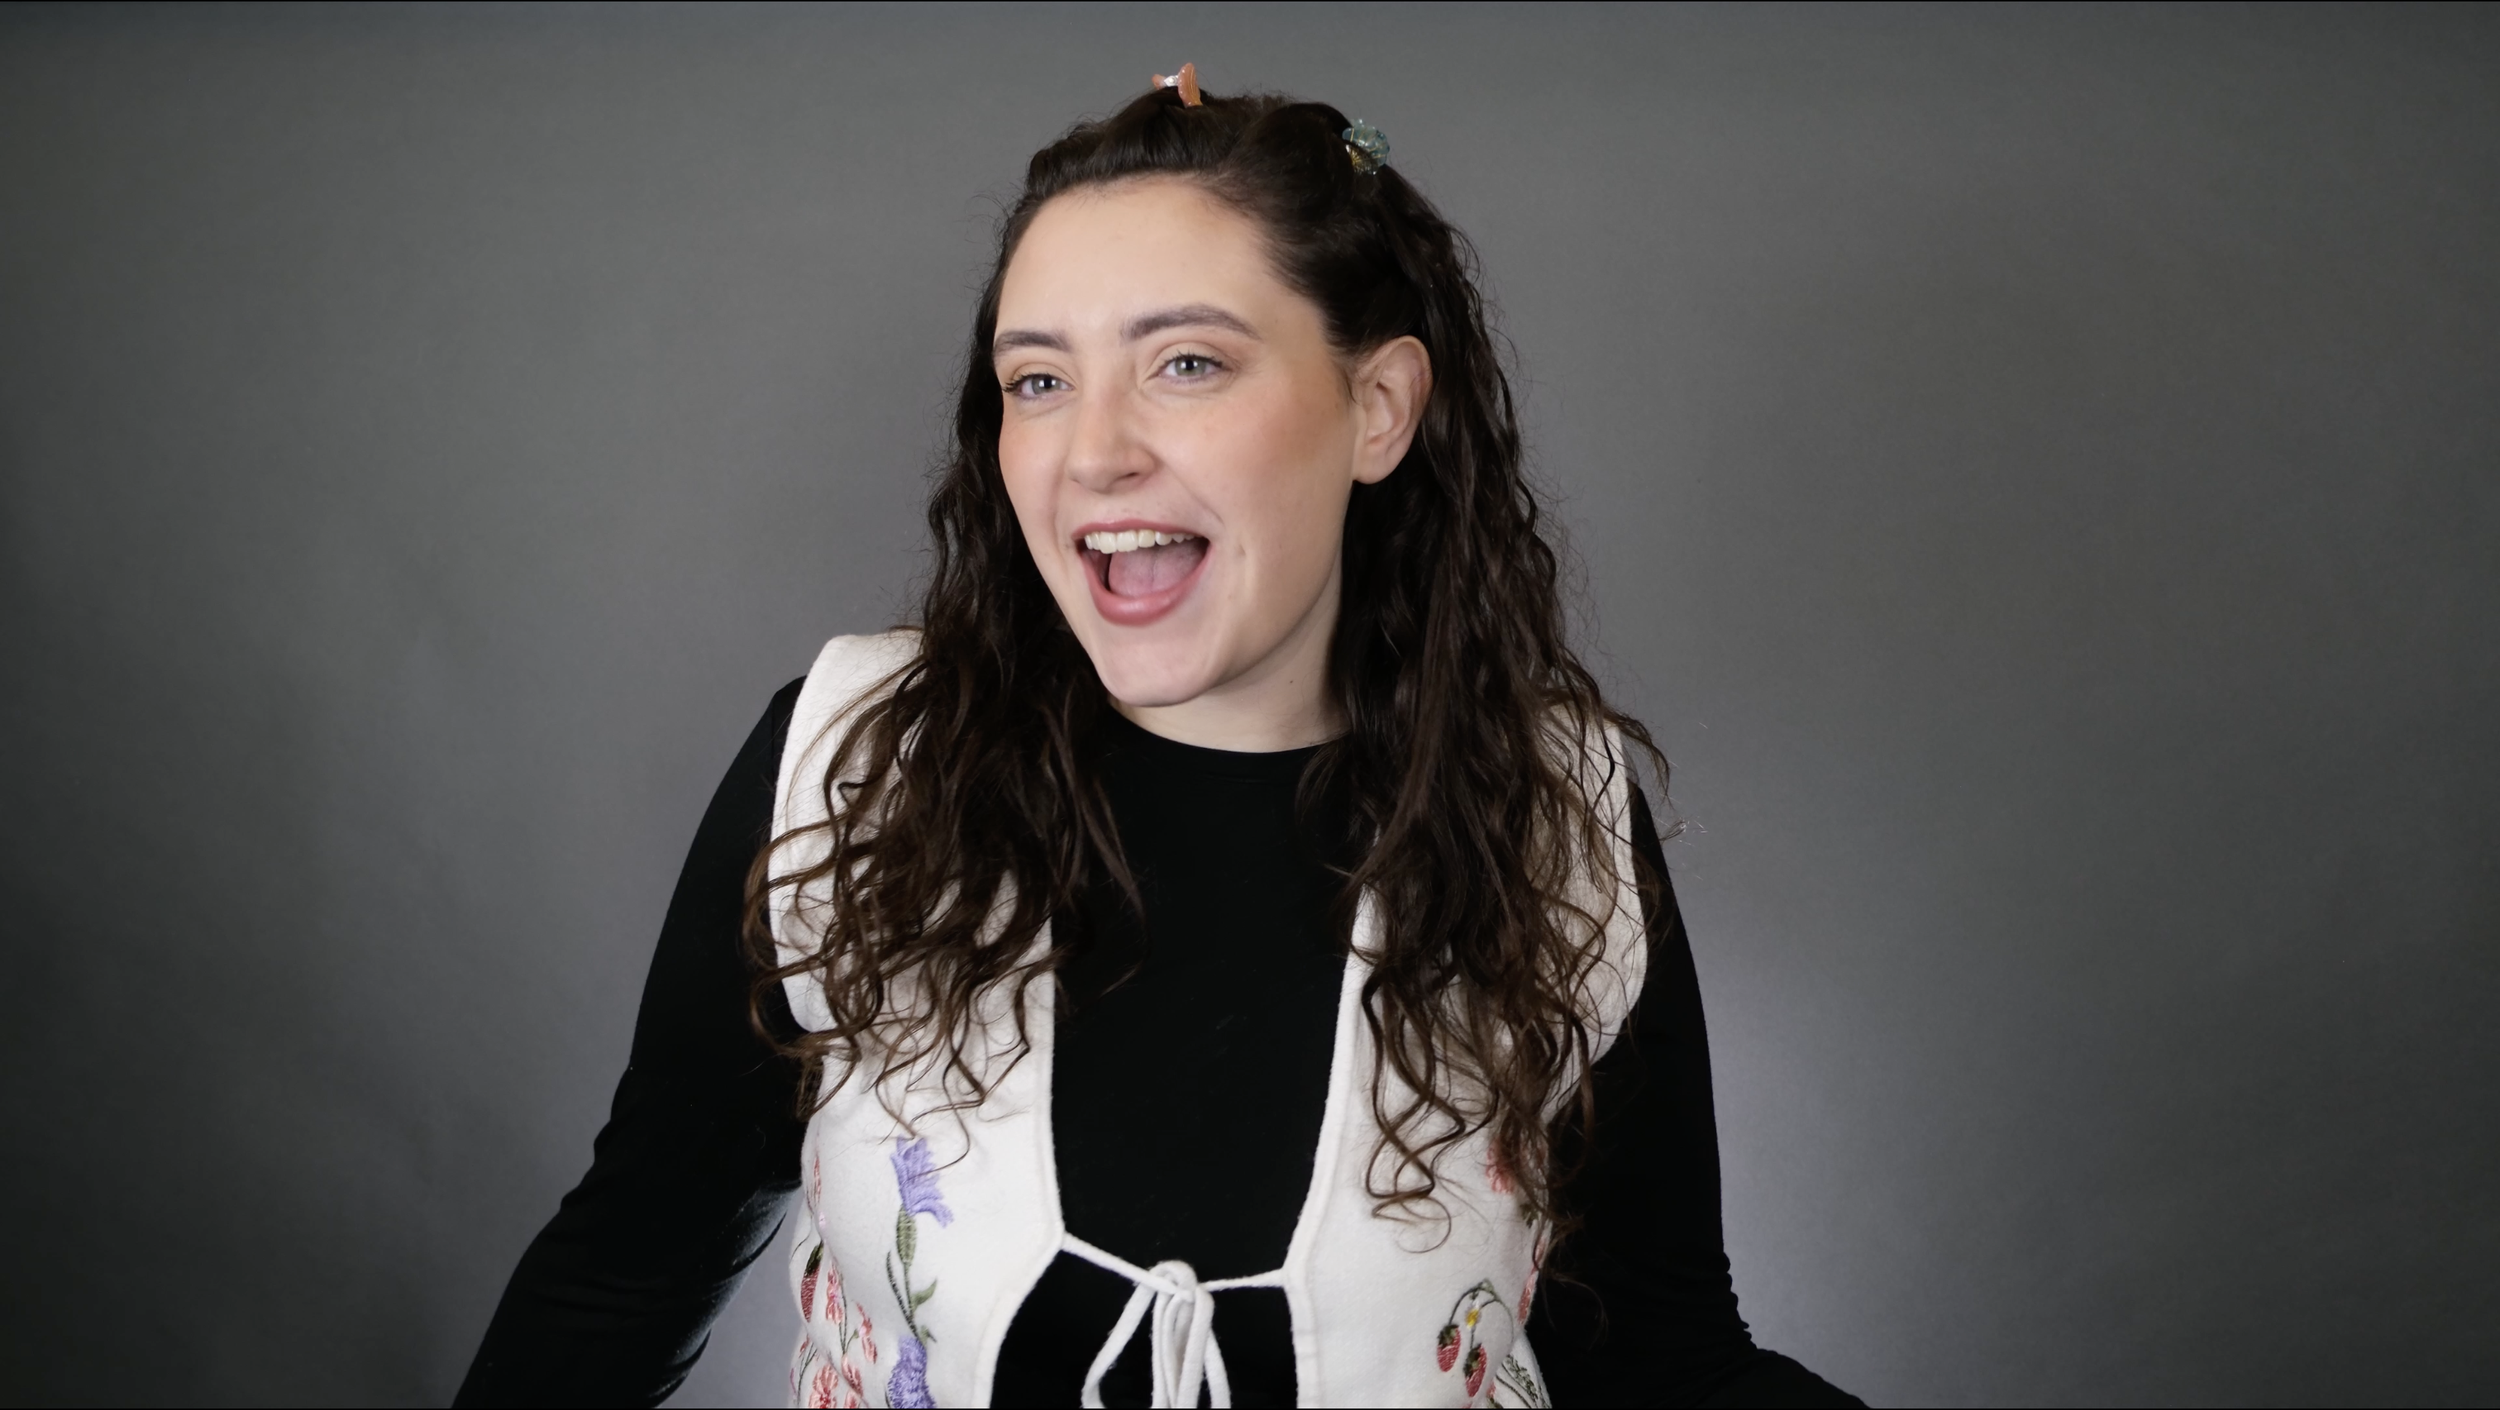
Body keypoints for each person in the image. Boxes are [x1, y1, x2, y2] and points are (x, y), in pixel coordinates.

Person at [456, 68, 1860, 1409]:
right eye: (1039, 381)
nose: (1094, 452)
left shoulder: (1547, 811)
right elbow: (619, 1277)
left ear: (1378, 409)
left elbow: (1661, 1355)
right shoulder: (852, 768)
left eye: (1187, 362)